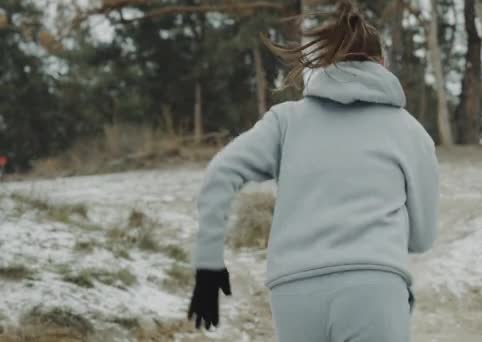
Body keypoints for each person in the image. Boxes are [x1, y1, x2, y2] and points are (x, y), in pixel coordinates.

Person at [187, 1, 439, 341]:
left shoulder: (286, 121)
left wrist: (208, 265)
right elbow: (422, 239)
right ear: (382, 63)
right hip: (374, 289)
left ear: (327, 61)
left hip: (294, 291)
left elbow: (221, 172)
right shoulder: (412, 133)